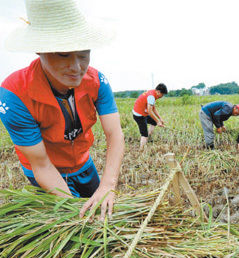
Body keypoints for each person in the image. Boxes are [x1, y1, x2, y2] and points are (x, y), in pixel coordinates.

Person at [0, 0, 125, 221]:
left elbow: (114, 135)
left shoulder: (97, 81)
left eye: (83, 54)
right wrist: (73, 213)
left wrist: (108, 185)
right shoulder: (14, 95)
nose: (77, 67)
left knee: (103, 218)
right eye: (63, 54)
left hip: (83, 164)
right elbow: (42, 164)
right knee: (68, 228)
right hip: (46, 173)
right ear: (39, 49)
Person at [132, 83, 168, 151]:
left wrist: (160, 118)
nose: (162, 96)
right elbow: (150, 111)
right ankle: (141, 150)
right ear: (158, 92)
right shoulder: (151, 96)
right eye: (162, 94)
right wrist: (158, 122)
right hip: (139, 115)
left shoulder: (153, 93)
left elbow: (153, 108)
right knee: (144, 134)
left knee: (153, 121)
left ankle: (147, 137)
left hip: (143, 113)